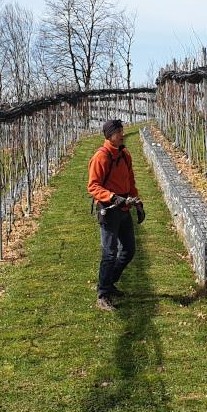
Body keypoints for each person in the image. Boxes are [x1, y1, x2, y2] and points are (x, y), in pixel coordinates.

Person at [87, 119, 141, 311]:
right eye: (119, 131)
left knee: (128, 250)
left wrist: (137, 200)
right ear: (110, 135)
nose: (123, 134)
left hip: (125, 208)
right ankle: (102, 294)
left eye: (122, 130)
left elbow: (130, 179)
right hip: (109, 210)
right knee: (109, 253)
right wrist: (112, 197)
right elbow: (93, 186)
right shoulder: (101, 157)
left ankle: (109, 283)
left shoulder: (125, 154)